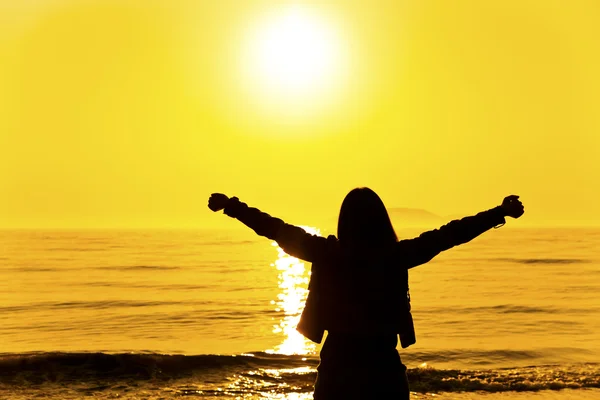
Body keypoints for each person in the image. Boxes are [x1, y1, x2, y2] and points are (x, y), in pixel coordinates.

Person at [207, 188, 525, 399]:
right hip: (383, 370)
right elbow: (450, 235)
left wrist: (232, 207)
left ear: (345, 221)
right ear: (381, 221)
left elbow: (274, 228)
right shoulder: (395, 255)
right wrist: (499, 212)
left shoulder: (328, 252)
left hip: (338, 369)